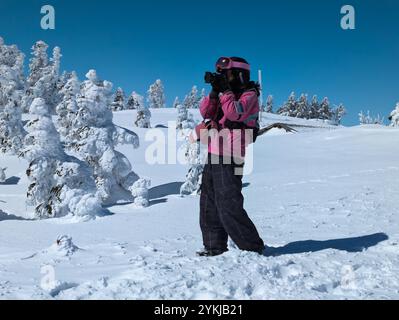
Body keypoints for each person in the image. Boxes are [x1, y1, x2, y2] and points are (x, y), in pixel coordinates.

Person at [196, 57, 265, 257]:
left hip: (231, 154)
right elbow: (206, 111)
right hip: (214, 151)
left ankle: (252, 246)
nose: (224, 77)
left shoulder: (249, 94)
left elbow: (234, 113)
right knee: (209, 202)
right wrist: (214, 92)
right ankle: (214, 246)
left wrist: (225, 91)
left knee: (228, 202)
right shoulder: (227, 93)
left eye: (227, 74)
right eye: (222, 74)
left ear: (239, 74)